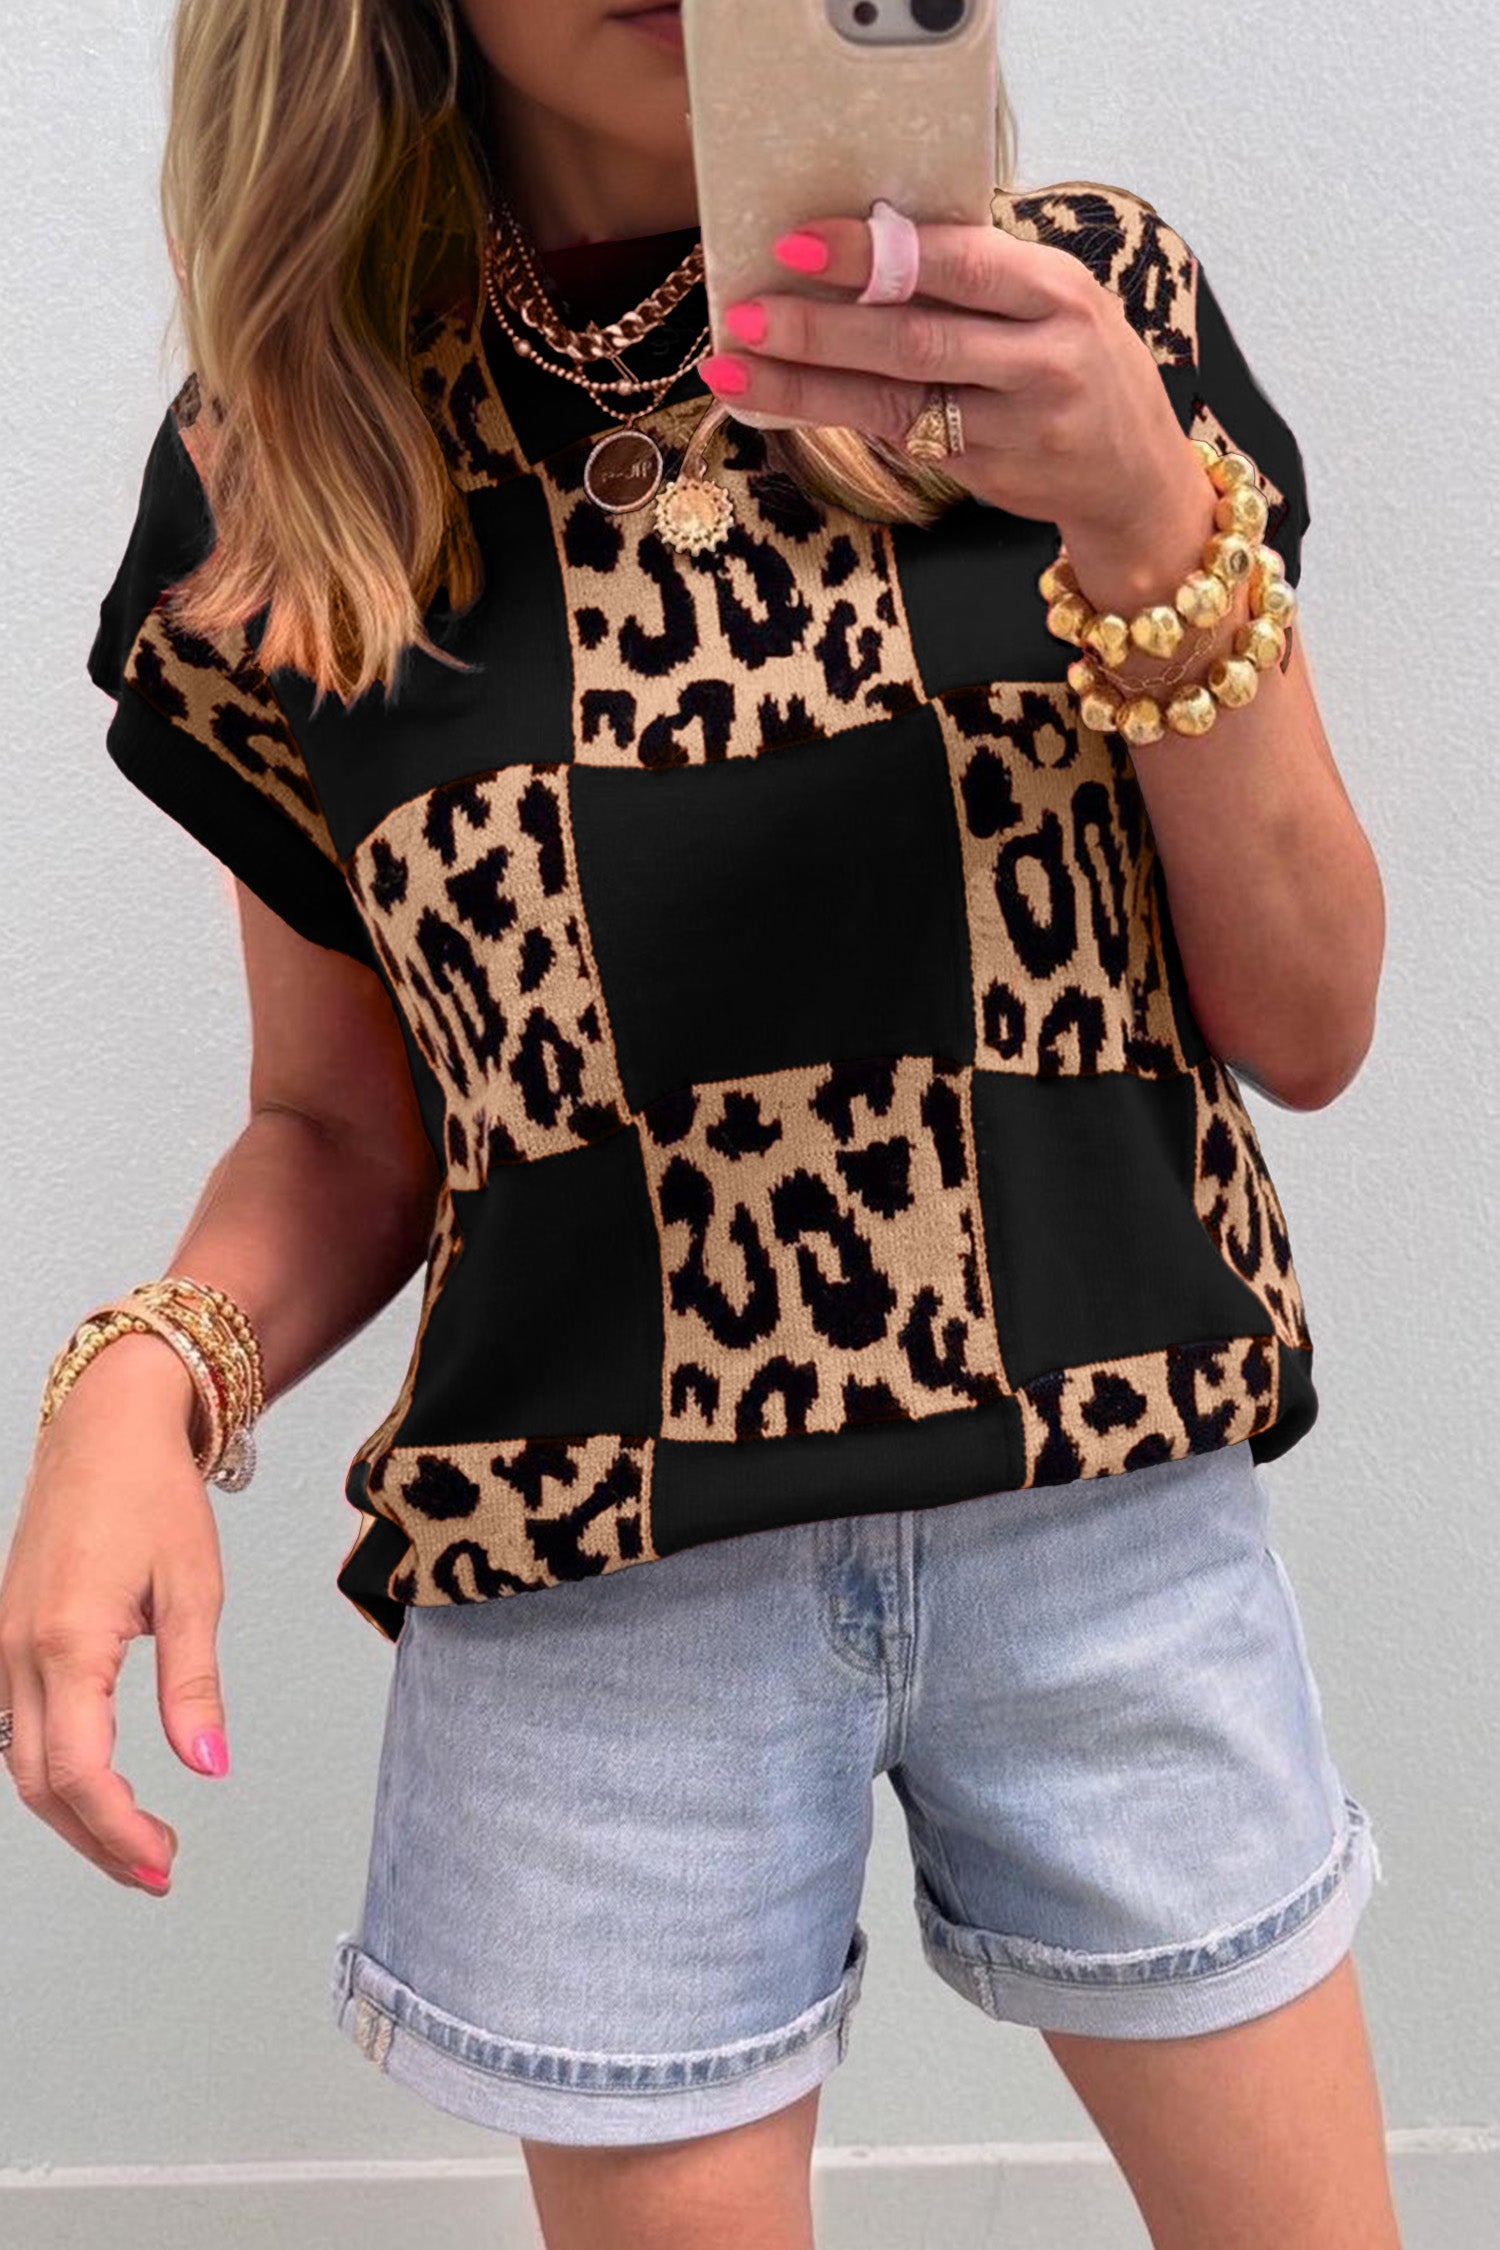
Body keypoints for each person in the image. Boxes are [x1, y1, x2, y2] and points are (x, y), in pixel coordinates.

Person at [2, 3, 1401, 2245]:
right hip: (601, 1590)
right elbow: (344, 1131)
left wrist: (1149, 514)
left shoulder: (1074, 319)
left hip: (1107, 1519)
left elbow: (1311, 1024)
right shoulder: (298, 467)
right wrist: (143, 1371)